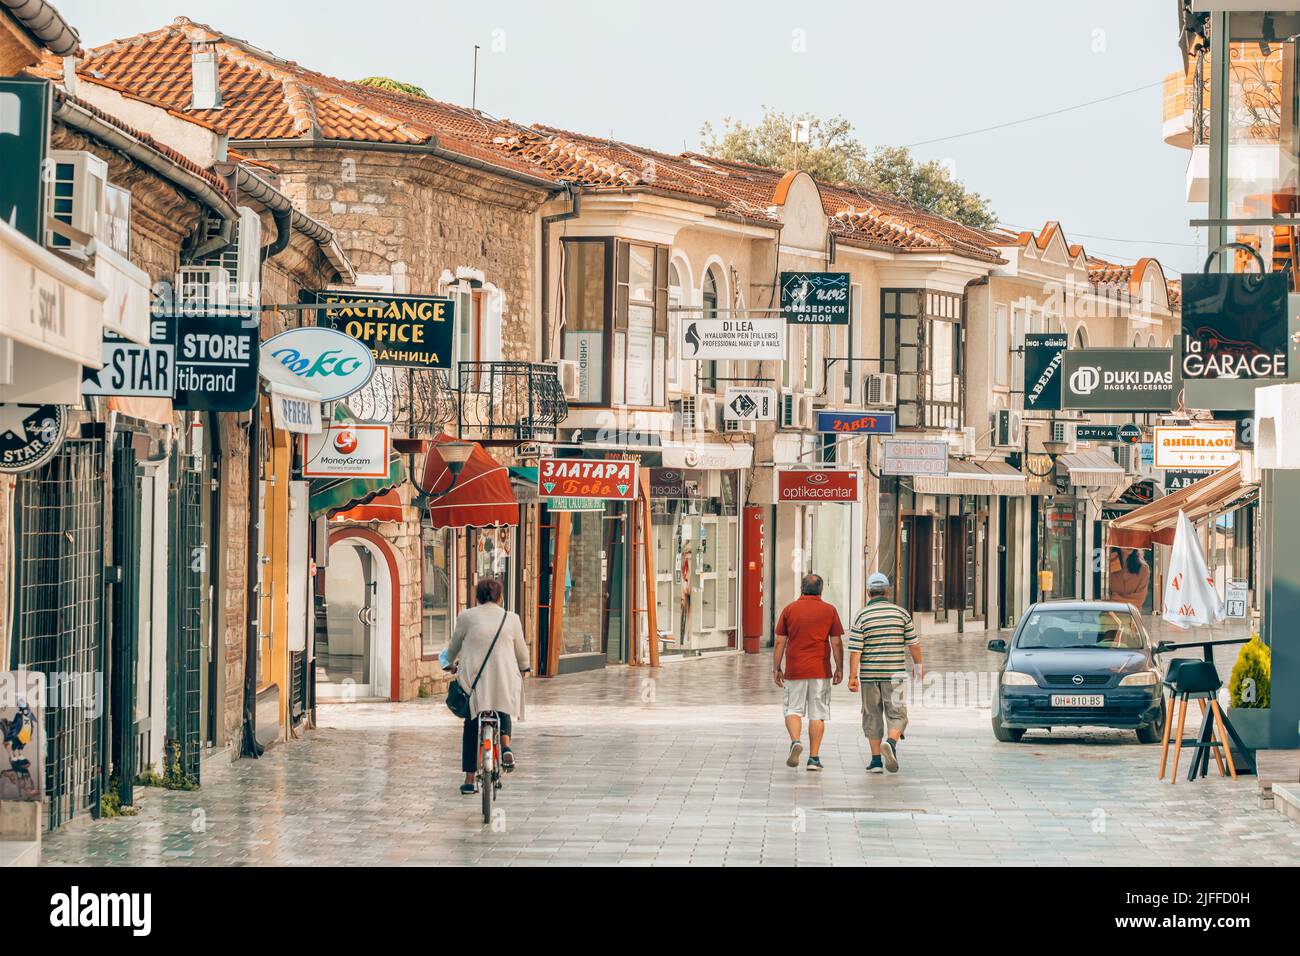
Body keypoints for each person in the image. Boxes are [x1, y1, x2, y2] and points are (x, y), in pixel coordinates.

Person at [445, 577, 530, 795]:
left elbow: (453, 647)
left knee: (472, 722)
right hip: (504, 676)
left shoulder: (466, 617)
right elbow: (521, 651)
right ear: (500, 597)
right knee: (502, 706)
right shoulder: (511, 619)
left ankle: (469, 779)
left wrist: (447, 663)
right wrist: (525, 668)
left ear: (477, 597)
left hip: (474, 681)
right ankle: (506, 746)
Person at [848, 572, 922, 774]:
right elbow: (914, 644)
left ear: (868, 592)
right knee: (897, 713)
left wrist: (852, 677)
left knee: (872, 715)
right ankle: (891, 743)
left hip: (870, 676)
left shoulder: (862, 615)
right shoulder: (901, 613)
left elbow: (856, 649)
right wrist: (919, 667)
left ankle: (876, 761)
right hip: (895, 674)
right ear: (888, 591)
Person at [773, 573, 845, 771]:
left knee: (792, 709)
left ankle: (796, 741)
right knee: (817, 714)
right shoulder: (829, 610)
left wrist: (776, 667)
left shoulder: (790, 610)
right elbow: (836, 642)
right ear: (821, 590)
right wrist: (839, 667)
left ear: (801, 588)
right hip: (820, 670)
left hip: (795, 669)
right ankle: (814, 758)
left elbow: (780, 641)